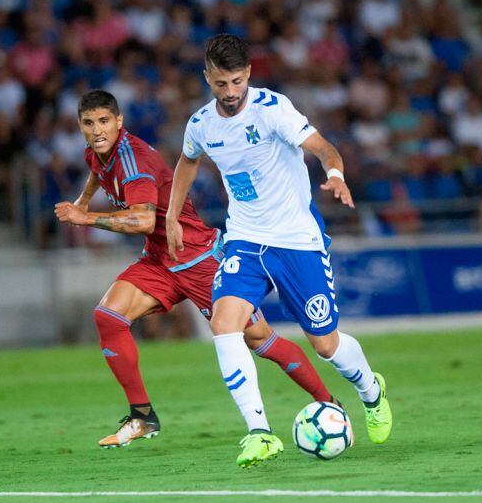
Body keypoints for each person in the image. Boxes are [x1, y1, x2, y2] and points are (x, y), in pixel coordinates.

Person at [54, 90, 337, 449]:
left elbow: (143, 219)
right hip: (159, 260)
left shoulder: (133, 159)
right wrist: (81, 198)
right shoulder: (99, 152)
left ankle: (330, 403)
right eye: (89, 123)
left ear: (119, 121)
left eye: (104, 121)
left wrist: (86, 217)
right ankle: (142, 416)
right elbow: (97, 170)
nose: (97, 130)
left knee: (260, 341)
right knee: (108, 316)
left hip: (197, 259)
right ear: (80, 125)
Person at [166, 34, 393, 468]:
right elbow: (188, 159)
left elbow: (324, 147)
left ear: (248, 74)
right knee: (225, 323)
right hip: (245, 239)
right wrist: (173, 215)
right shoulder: (200, 124)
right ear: (207, 78)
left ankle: (371, 390)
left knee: (325, 345)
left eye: (236, 81)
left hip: (296, 240)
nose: (230, 93)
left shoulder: (273, 109)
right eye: (220, 84)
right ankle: (259, 432)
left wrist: (336, 173)